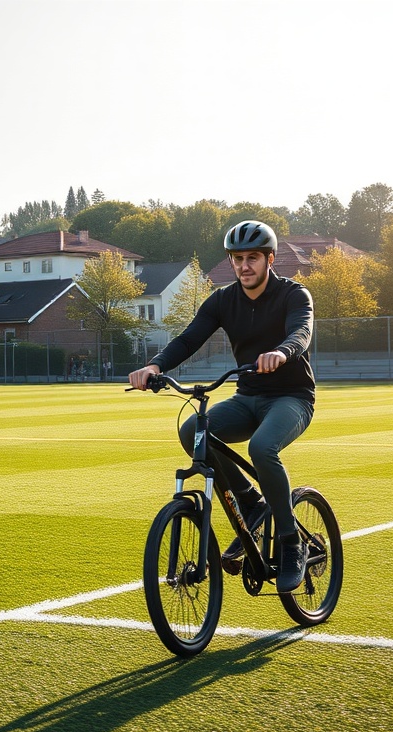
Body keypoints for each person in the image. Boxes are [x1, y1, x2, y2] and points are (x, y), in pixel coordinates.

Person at [128, 220, 315, 593]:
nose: (244, 266)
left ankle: (291, 542)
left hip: (291, 397)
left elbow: (301, 331)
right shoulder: (222, 300)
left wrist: (282, 352)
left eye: (252, 258)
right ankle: (250, 501)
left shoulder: (294, 295)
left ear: (270, 259)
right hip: (247, 397)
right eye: (237, 259)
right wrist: (155, 366)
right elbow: (188, 339)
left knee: (262, 447)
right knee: (193, 432)